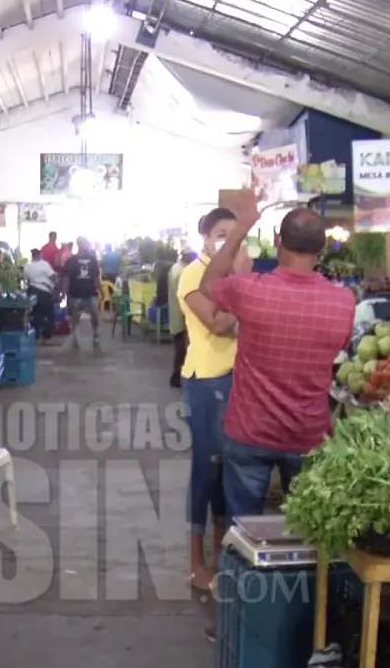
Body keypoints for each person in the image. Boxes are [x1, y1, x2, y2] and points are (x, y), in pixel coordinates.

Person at [199, 195, 356, 525]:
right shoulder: (343, 302)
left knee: (243, 531)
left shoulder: (251, 289)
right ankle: (302, 579)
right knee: (308, 530)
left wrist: (242, 226)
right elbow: (337, 351)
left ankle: (245, 576)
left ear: (279, 242)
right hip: (308, 434)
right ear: (321, 248)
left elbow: (209, 285)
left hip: (249, 431)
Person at [178, 210, 249, 602]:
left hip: (238, 381)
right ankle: (194, 564)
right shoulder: (193, 275)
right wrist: (241, 288)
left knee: (228, 473)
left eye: (234, 234)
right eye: (221, 234)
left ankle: (221, 558)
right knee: (205, 472)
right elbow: (218, 324)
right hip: (207, 382)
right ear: (204, 238)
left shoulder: (234, 277)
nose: (228, 241)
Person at [62, 237, 102, 348]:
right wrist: (65, 293)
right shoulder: (71, 261)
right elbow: (66, 278)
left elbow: (96, 277)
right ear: (79, 245)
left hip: (91, 293)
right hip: (75, 294)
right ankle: (76, 337)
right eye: (85, 243)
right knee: (75, 317)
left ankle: (96, 334)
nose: (87, 246)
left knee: (95, 315)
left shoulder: (93, 260)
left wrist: (101, 291)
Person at [167, 249, 193, 389]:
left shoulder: (175, 268)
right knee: (181, 350)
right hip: (180, 318)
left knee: (180, 349)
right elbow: (183, 298)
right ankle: (176, 377)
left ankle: (177, 377)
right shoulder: (181, 273)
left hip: (175, 316)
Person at [24, 249, 58, 345]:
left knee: (35, 314)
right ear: (40, 255)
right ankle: (47, 337)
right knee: (49, 314)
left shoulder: (27, 266)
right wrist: (56, 287)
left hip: (32, 291)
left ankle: (36, 337)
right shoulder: (44, 264)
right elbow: (53, 276)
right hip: (44, 291)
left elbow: (25, 278)